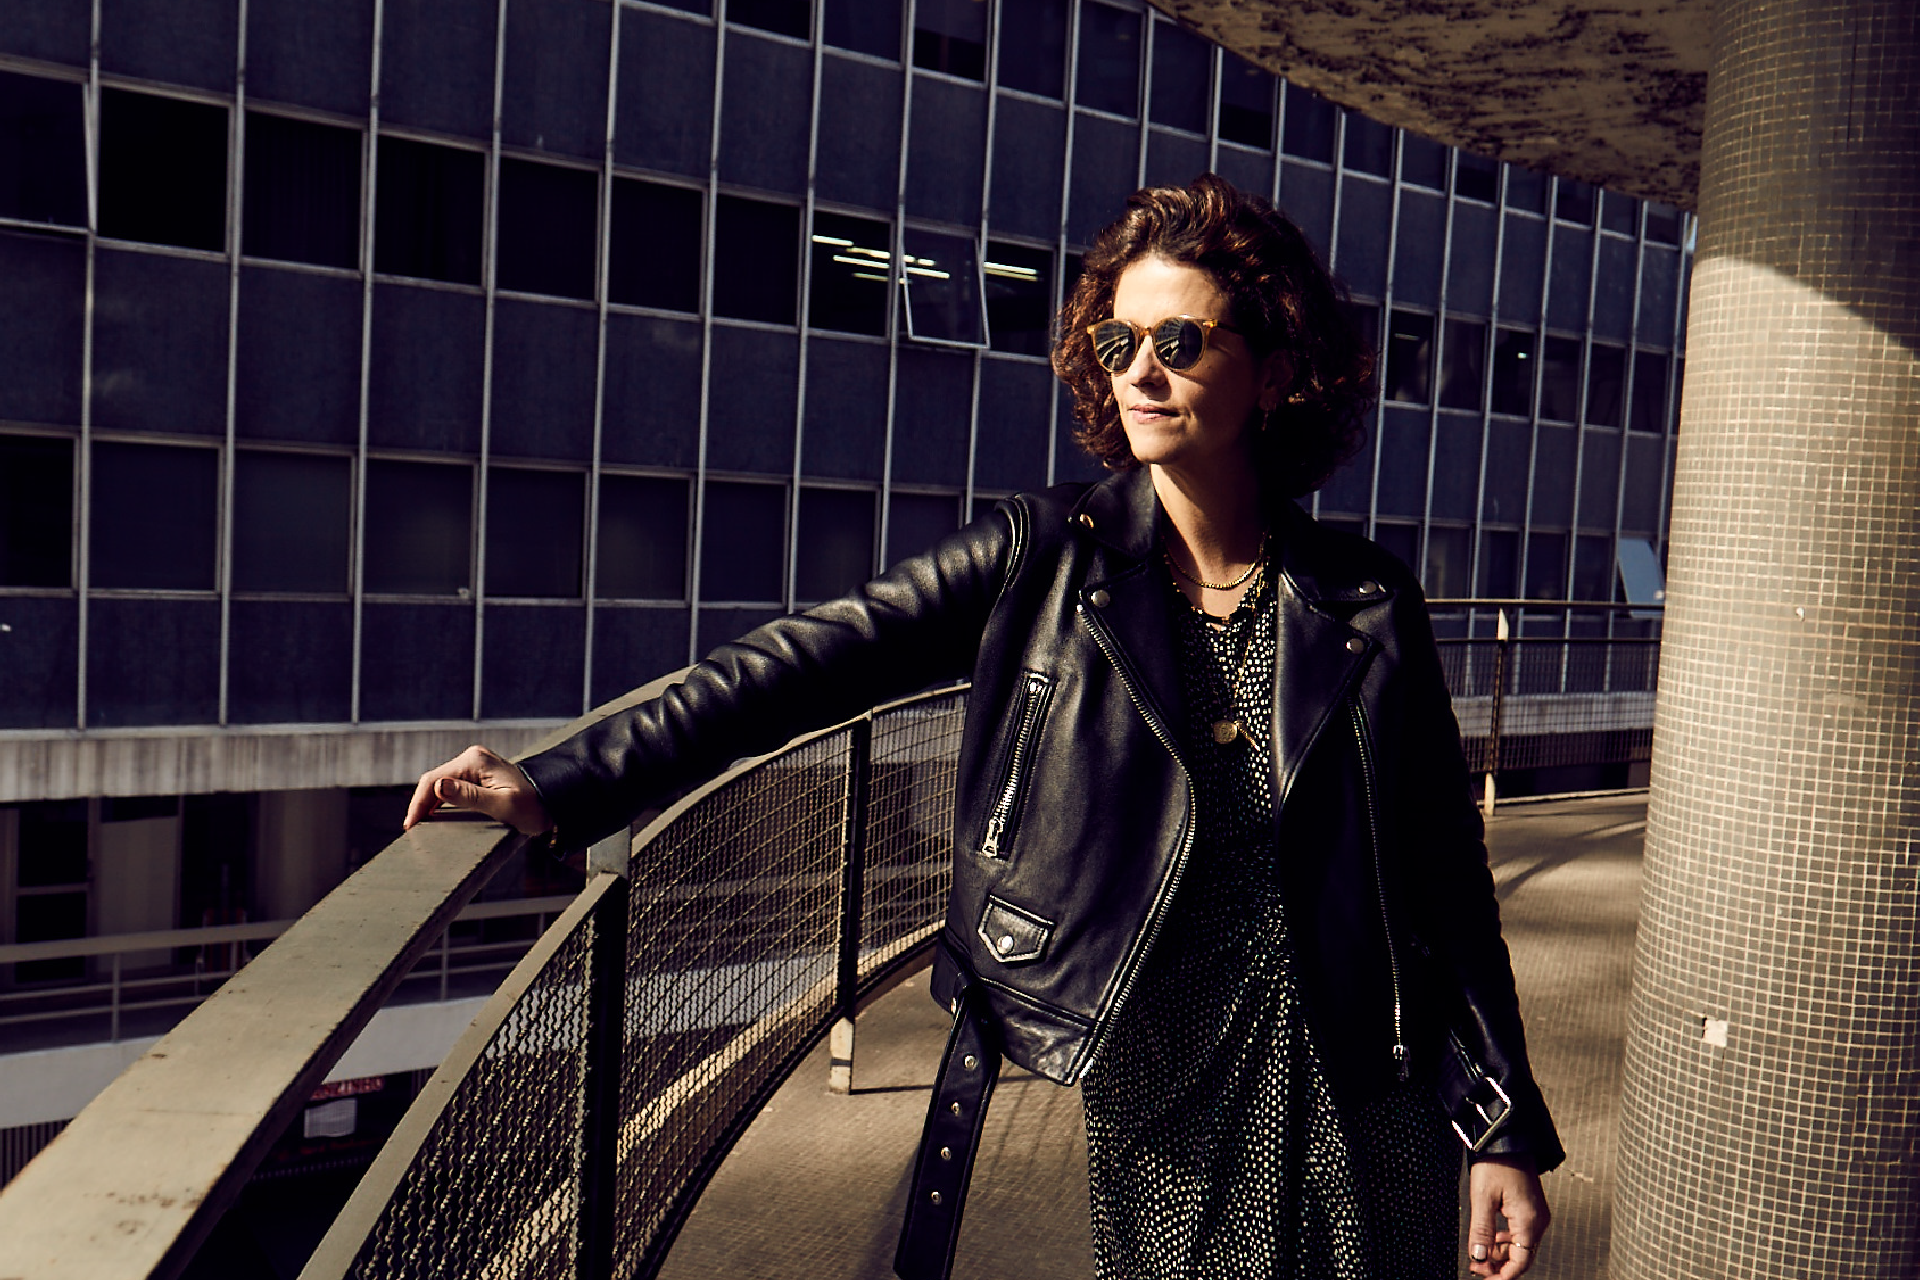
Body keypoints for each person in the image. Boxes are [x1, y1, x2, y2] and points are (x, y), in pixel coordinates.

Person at [406, 174, 1559, 1280]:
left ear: (1273, 372)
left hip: (1371, 1087)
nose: (1141, 374)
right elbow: (795, 667)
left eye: (1182, 342)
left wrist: (1501, 1123)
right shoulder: (1044, 556)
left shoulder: (1361, 599)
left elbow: (1441, 872)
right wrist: (563, 781)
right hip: (1169, 1091)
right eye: (1119, 345)